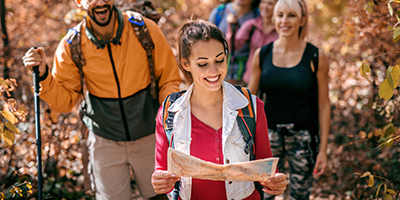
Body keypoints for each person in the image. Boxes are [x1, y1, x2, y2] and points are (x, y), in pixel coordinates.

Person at [22, 0, 181, 199]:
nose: (99, 2)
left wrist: (168, 119)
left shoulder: (144, 29)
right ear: (80, 3)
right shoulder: (73, 45)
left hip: (149, 134)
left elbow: (169, 79)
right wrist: (44, 75)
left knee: (162, 195)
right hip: (104, 139)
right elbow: (64, 102)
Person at [151, 19, 288, 200]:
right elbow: (162, 172)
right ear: (185, 64)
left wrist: (275, 181)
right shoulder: (170, 113)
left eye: (219, 60)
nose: (214, 71)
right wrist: (161, 182)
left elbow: (265, 168)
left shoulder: (251, 106)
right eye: (202, 64)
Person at [248, 0, 330, 199]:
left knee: (299, 196)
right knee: (263, 195)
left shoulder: (316, 56)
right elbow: (249, 102)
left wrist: (323, 150)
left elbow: (324, 104)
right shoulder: (262, 54)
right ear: (274, 18)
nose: (284, 21)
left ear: (302, 20)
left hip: (303, 138)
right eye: (280, 15)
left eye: (291, 15)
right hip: (267, 137)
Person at [208, 0, 260, 85]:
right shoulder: (219, 12)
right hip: (219, 71)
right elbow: (207, 43)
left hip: (247, 75)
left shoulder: (258, 15)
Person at [226, 0, 279, 84]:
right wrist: (231, 27)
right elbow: (233, 46)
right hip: (249, 80)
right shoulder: (252, 25)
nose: (265, 6)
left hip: (271, 82)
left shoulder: (281, 29)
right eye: (263, 2)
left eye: (270, 4)